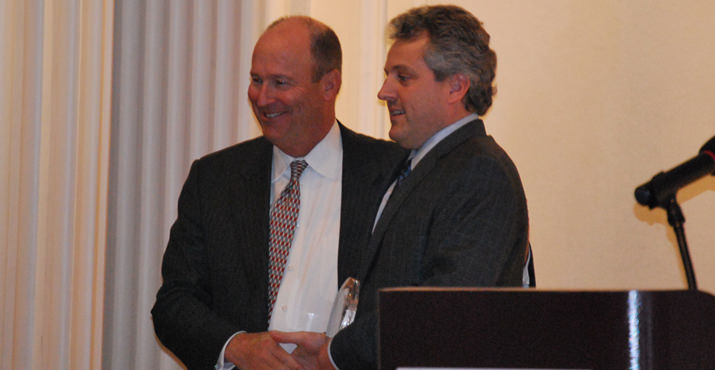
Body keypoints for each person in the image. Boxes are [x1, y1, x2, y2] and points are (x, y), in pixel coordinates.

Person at [275, 5, 531, 369]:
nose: (384, 91)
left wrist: (335, 353)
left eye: (403, 77)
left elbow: (443, 310)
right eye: (386, 75)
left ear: (456, 87)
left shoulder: (481, 171)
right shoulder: (412, 164)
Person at [151, 16, 406, 370]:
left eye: (280, 83)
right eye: (256, 80)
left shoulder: (392, 173)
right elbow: (174, 304)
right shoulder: (215, 179)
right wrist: (236, 347)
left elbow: (408, 307)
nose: (262, 97)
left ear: (330, 85)